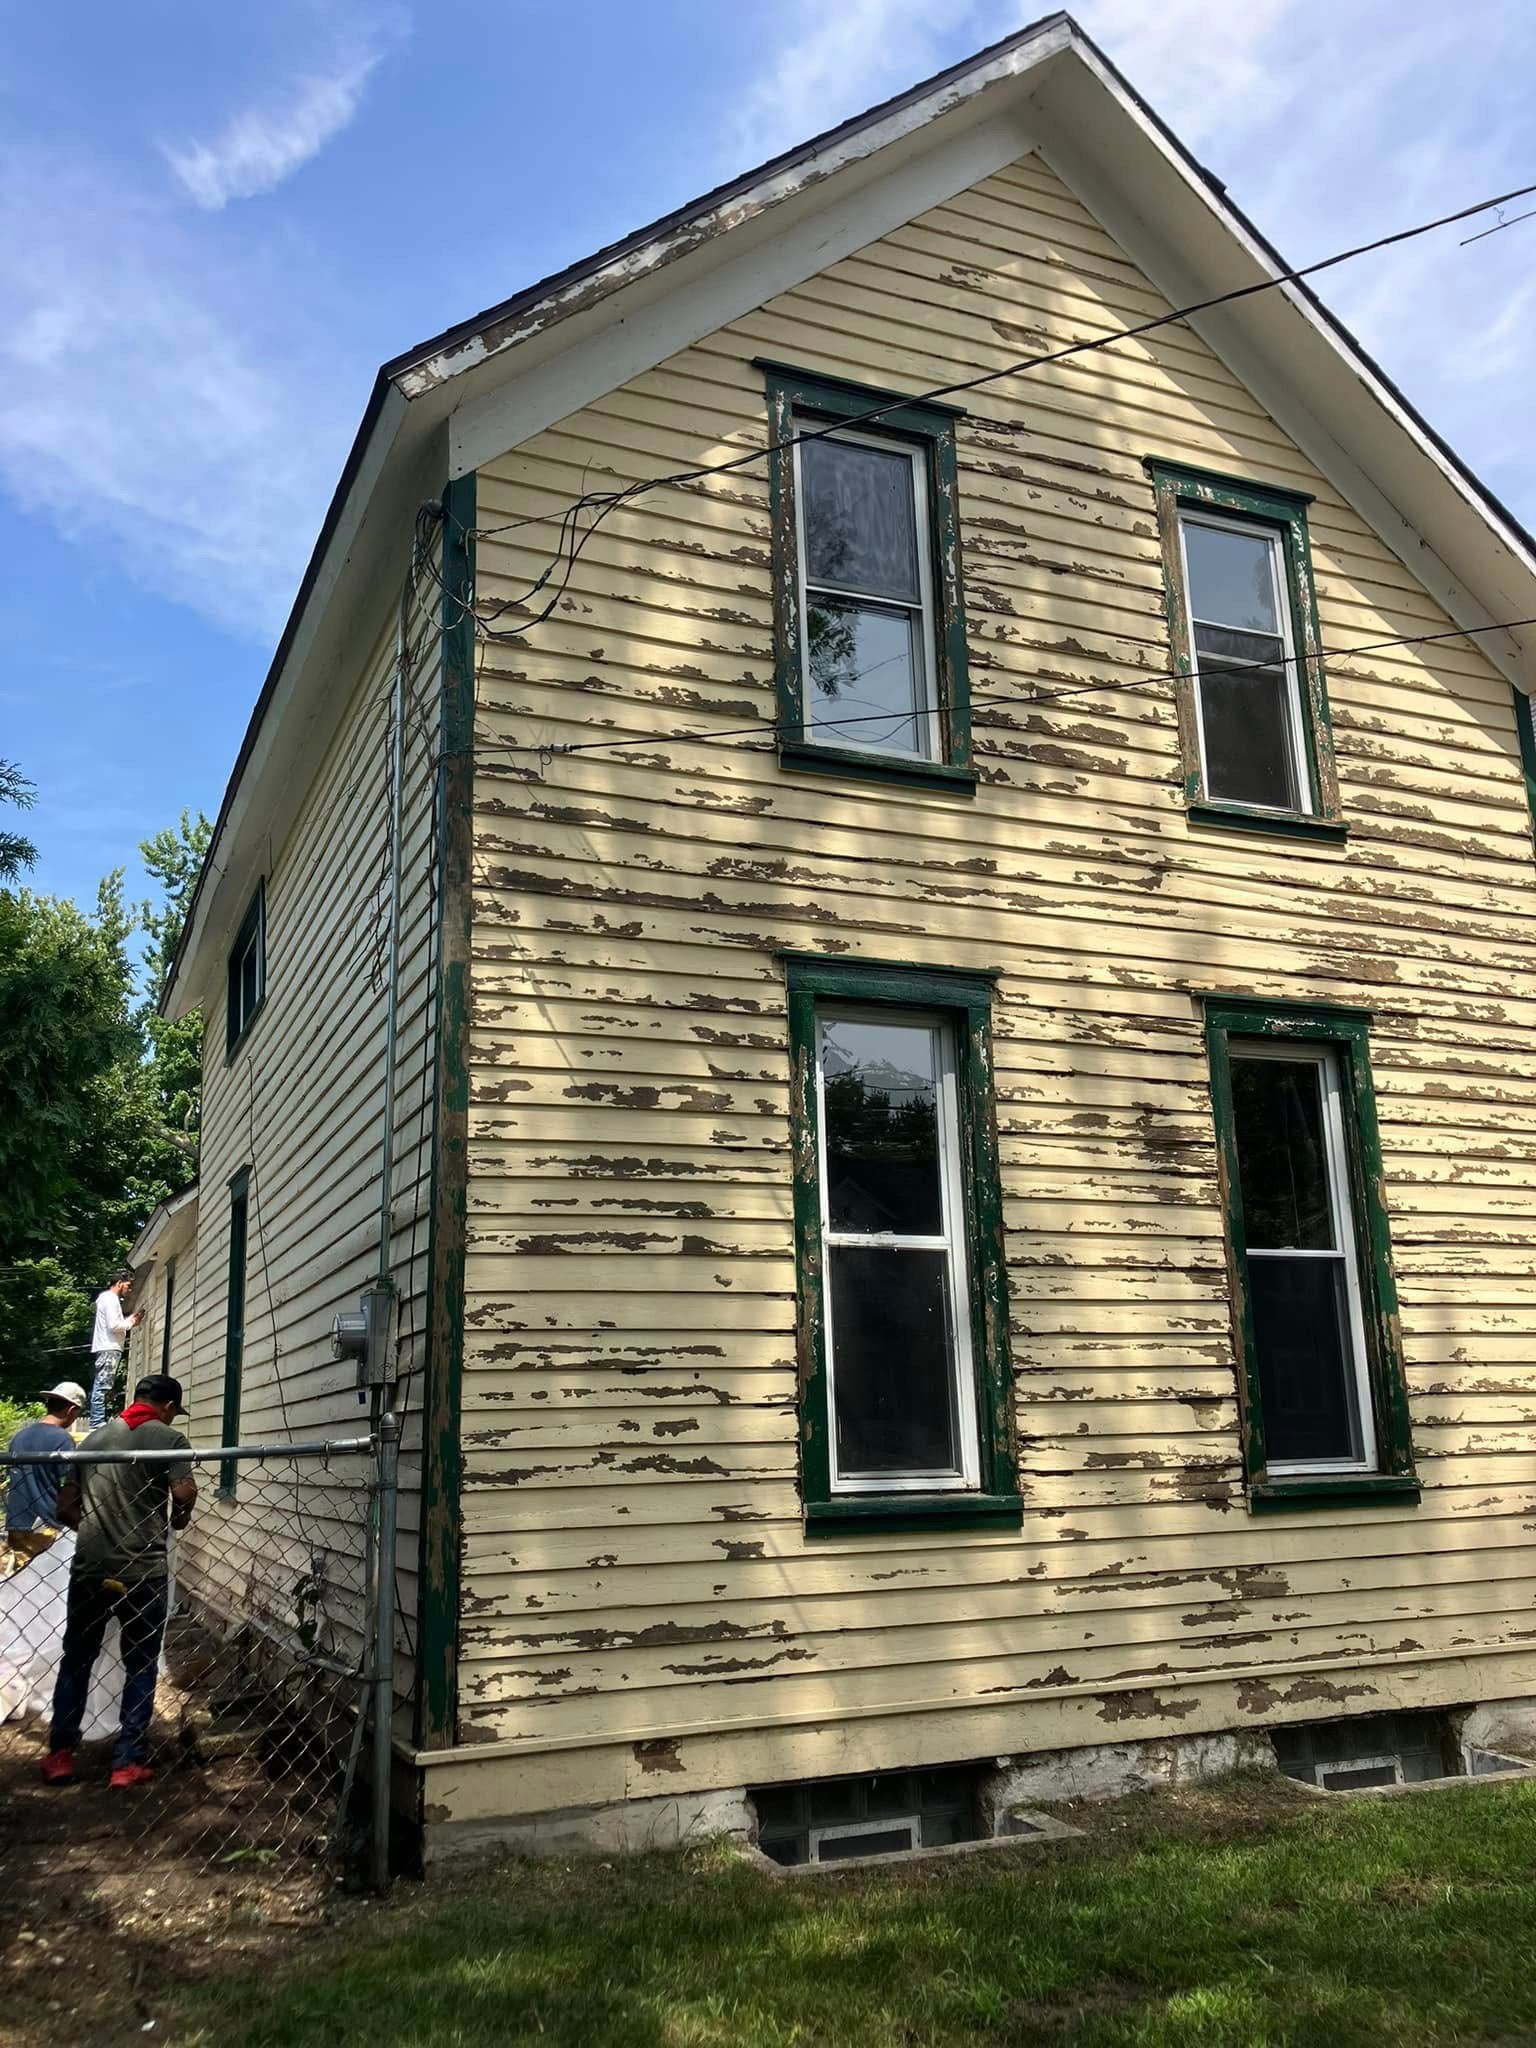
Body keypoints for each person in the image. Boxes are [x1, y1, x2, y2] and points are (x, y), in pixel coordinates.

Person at [40, 1374, 197, 1788]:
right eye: (173, 1410)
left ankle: (60, 1755)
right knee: (141, 1662)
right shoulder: (169, 1439)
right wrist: (178, 1520)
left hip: (91, 1568)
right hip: (143, 1570)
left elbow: (65, 1506)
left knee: (77, 1658)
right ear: (166, 1406)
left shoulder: (91, 1440)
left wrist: (97, 1532)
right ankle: (127, 1761)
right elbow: (182, 1493)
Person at [3, 1382, 85, 1577]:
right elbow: (68, 1483)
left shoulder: (19, 1437)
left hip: (17, 1523)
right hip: (45, 1527)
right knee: (46, 1582)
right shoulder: (62, 1439)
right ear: (71, 1410)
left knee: (19, 1584)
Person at [87, 1273, 141, 1429]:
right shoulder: (110, 1299)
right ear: (119, 1283)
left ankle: (97, 1420)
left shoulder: (106, 1299)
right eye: (128, 1286)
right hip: (109, 1347)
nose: (129, 1290)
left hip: (108, 1346)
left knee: (104, 1385)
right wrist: (132, 1321)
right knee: (102, 1386)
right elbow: (114, 1325)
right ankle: (97, 1422)